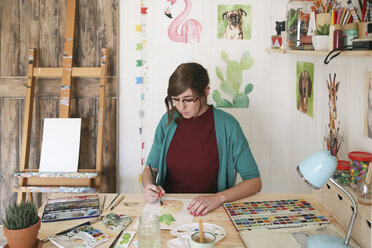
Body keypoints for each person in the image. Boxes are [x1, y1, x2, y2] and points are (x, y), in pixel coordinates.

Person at [142, 62, 261, 216]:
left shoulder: (228, 126)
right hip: (169, 210)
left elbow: (254, 182)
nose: (180, 107)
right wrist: (149, 186)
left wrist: (218, 198)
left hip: (211, 212)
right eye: (176, 100)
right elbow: (150, 169)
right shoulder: (167, 121)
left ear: (205, 92)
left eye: (188, 99)